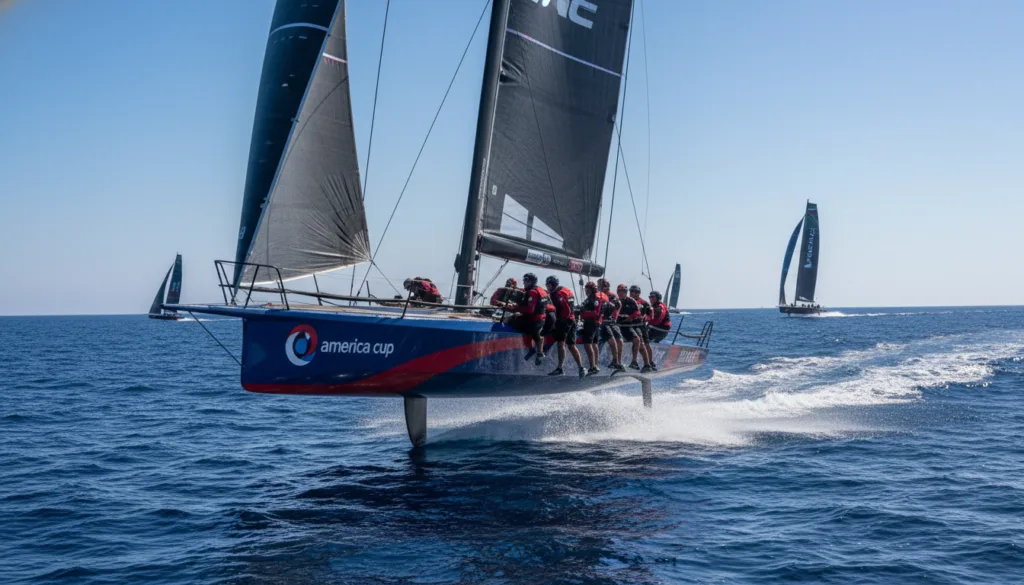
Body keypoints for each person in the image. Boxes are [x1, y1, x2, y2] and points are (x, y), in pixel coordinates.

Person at [545, 275, 585, 378]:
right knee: (571, 346)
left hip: (565, 321)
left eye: (548, 285)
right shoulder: (566, 290)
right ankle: (581, 368)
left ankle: (560, 368)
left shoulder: (559, 294)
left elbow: (565, 310)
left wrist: (557, 322)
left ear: (552, 285)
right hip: (572, 320)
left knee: (560, 343)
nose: (548, 288)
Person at [509, 273, 548, 365]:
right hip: (541, 319)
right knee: (535, 333)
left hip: (534, 320)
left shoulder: (532, 292)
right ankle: (539, 352)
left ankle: (531, 349)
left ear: (532, 282)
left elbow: (530, 310)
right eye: (524, 281)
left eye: (527, 281)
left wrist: (515, 308)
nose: (524, 283)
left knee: (512, 321)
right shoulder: (540, 290)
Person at [598, 278, 624, 371]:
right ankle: (614, 361)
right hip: (602, 323)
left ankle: (617, 361)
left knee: (619, 341)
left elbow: (614, 306)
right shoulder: (598, 296)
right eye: (602, 285)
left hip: (611, 322)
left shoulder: (612, 296)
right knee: (610, 340)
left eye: (605, 285)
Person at [578, 281, 603, 375]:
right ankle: (595, 365)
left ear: (592, 290)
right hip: (594, 324)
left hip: (591, 323)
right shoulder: (589, 299)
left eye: (588, 289)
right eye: (586, 289)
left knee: (587, 344)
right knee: (594, 343)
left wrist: (583, 313)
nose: (586, 291)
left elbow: (596, 313)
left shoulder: (595, 299)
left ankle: (593, 366)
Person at [629, 285, 656, 372]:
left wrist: (645, 318)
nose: (635, 294)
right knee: (638, 342)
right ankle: (639, 362)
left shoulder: (644, 303)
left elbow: (651, 315)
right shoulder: (627, 301)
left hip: (641, 326)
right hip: (630, 325)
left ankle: (650, 362)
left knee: (646, 344)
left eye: (637, 292)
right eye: (633, 292)